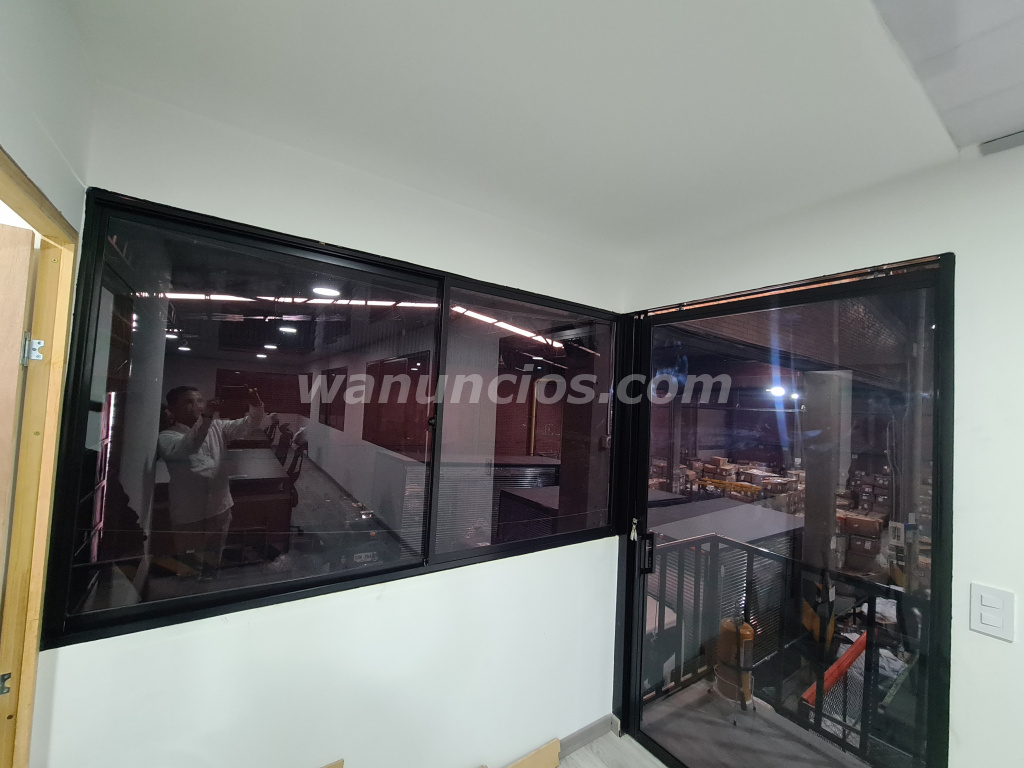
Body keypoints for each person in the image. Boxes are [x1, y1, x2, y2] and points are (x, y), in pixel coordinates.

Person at [157, 385, 265, 576]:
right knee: (189, 568)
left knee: (213, 564)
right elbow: (189, 446)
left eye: (199, 401)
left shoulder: (217, 426)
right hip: (190, 515)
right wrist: (206, 417)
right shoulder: (166, 437)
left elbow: (250, 424)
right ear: (172, 408)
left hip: (220, 508)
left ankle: (210, 586)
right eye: (188, 402)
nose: (196, 406)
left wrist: (256, 405)